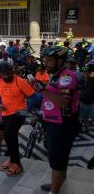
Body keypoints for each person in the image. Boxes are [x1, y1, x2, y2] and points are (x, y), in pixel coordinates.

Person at [37, 46, 81, 194]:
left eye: (49, 60)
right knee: (60, 157)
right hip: (54, 122)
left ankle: (54, 190)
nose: (46, 63)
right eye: (45, 60)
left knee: (57, 158)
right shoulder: (57, 75)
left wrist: (42, 89)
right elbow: (50, 99)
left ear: (60, 61)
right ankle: (58, 182)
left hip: (62, 125)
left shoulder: (66, 77)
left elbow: (63, 102)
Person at [0, 62, 35, 176]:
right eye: (3, 74)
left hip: (18, 114)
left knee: (9, 135)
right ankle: (12, 160)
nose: (5, 76)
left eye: (7, 74)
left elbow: (33, 97)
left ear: (11, 71)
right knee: (9, 137)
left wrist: (27, 110)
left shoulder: (20, 81)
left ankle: (17, 163)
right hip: (5, 113)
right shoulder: (1, 81)